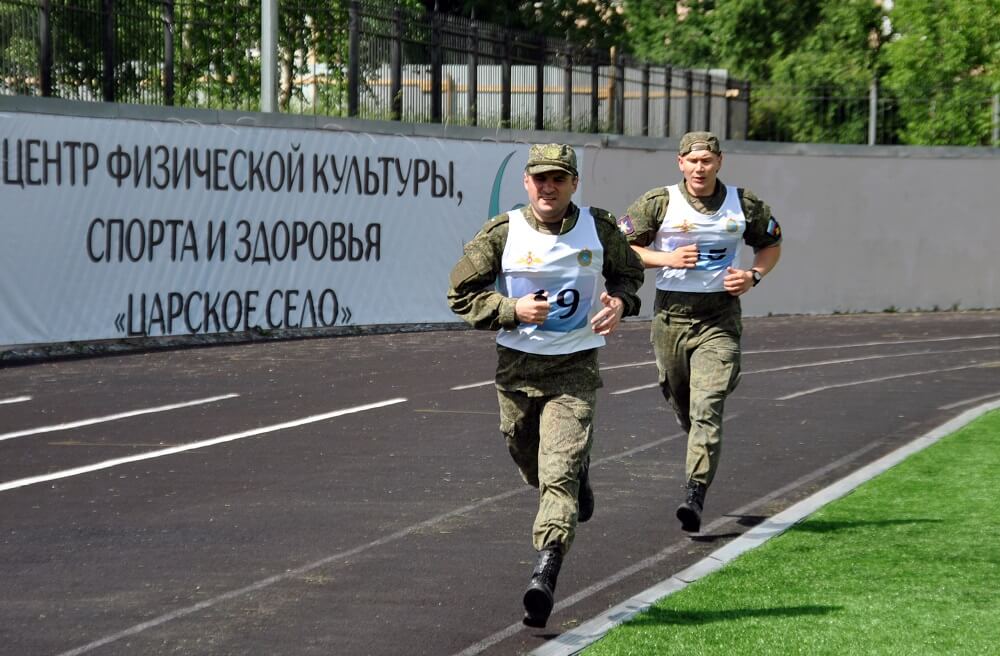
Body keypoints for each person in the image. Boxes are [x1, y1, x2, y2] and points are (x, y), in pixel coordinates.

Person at [447, 143, 644, 628]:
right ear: (526, 183)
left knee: (556, 476)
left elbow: (630, 274)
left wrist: (620, 303)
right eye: (540, 178)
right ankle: (577, 480)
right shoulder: (502, 233)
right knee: (527, 455)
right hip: (517, 369)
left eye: (558, 178)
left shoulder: (598, 229)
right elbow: (460, 293)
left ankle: (545, 572)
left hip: (573, 369)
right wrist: (513, 311)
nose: (548, 187)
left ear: (574, 183)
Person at [617, 131, 782, 534]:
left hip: (719, 319)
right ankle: (696, 439)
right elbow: (623, 247)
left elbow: (772, 244)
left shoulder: (743, 204)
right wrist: (665, 257)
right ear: (680, 163)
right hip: (671, 318)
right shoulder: (659, 202)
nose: (699, 168)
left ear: (719, 162)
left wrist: (753, 276)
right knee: (683, 402)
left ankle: (694, 492)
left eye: (707, 160)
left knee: (708, 406)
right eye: (692, 161)